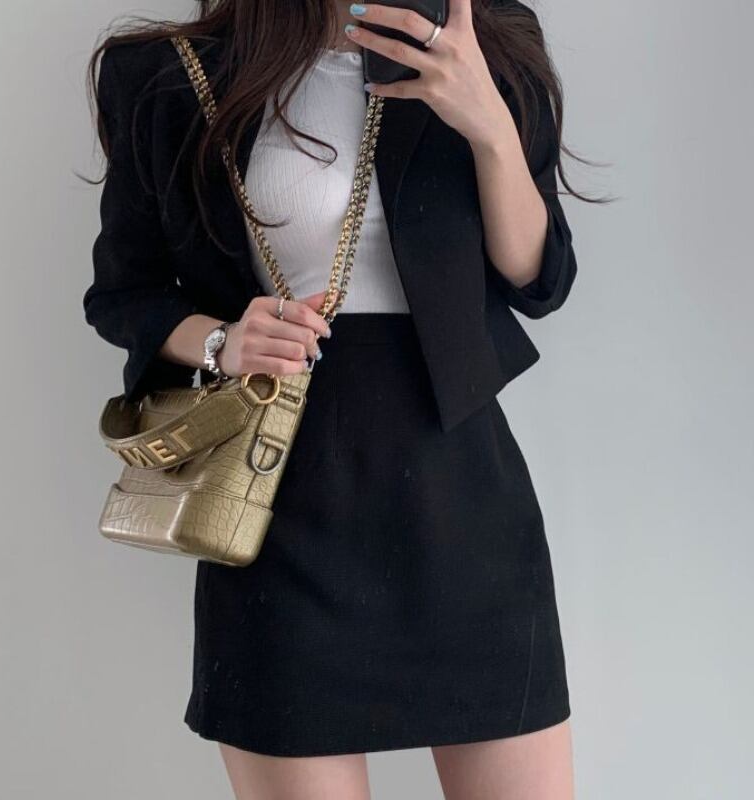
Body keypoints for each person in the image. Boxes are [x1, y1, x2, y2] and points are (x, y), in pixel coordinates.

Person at [84, 0, 587, 797]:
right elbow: (123, 294)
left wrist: (489, 123)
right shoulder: (169, 75)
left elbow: (539, 279)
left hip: (464, 512)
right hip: (274, 511)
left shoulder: (485, 41)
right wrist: (222, 340)